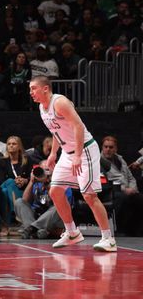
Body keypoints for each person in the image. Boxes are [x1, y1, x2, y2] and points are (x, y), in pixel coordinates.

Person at [29, 75, 116, 252]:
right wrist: (53, 153)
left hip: (84, 150)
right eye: (30, 89)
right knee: (55, 191)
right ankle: (72, 232)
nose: (31, 92)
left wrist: (77, 155)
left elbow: (78, 126)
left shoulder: (60, 102)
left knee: (89, 195)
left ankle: (109, 239)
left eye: (33, 88)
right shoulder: (42, 108)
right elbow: (56, 131)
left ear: (45, 88)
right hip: (67, 153)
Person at [15, 164, 69, 239]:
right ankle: (36, 230)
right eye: (42, 170)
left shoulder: (61, 183)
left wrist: (48, 185)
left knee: (59, 206)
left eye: (47, 170)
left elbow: (60, 202)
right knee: (19, 202)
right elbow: (25, 200)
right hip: (37, 215)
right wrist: (31, 181)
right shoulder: (37, 183)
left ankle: (32, 229)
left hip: (54, 219)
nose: (44, 174)